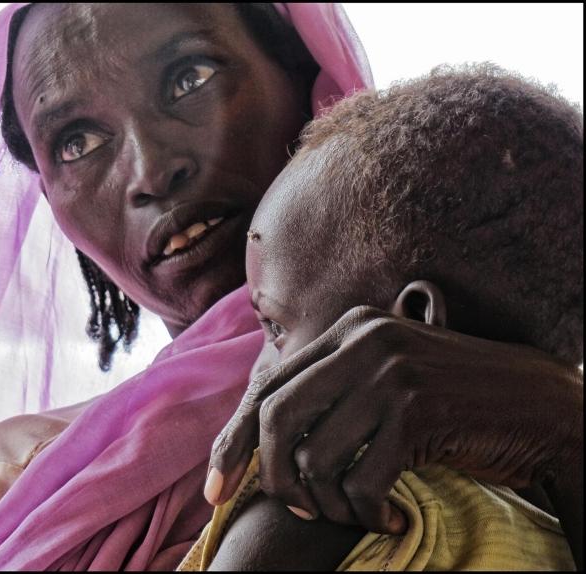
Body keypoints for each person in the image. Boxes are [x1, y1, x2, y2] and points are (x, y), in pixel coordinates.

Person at [0, 3, 581, 572]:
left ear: (307, 80)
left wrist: (554, 420)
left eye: (188, 77)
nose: (152, 171)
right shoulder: (21, 483)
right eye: (76, 141)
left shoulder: (543, 356)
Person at [179, 64, 582, 570]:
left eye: (276, 329)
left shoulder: (321, 506)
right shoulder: (556, 525)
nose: (258, 373)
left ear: (413, 318)